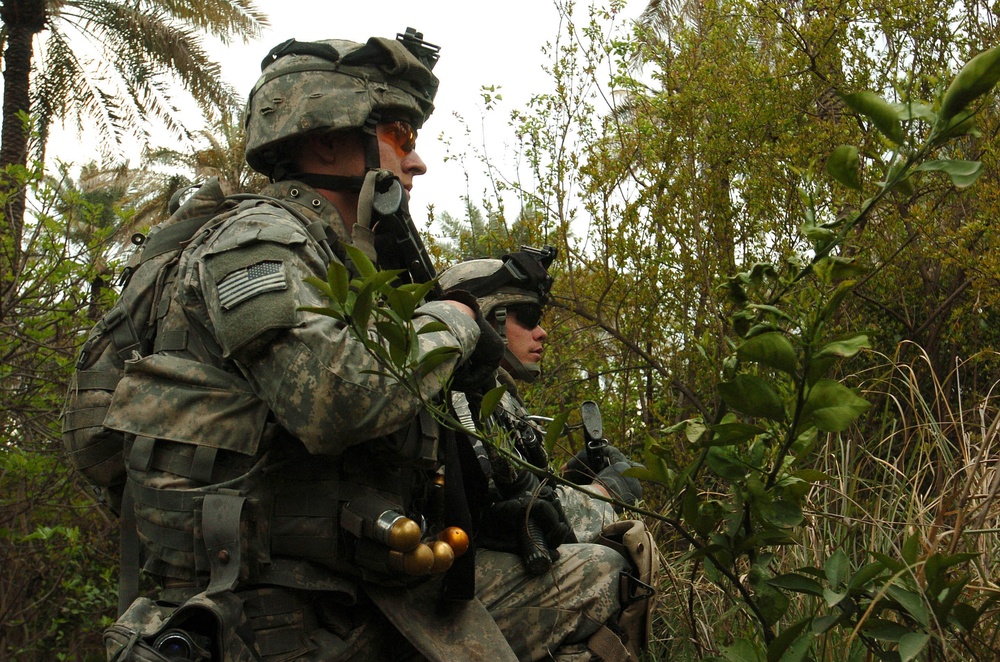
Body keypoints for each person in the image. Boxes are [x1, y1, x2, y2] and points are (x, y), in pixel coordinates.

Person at [94, 28, 638, 662]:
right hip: (277, 606)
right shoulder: (256, 240)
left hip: (358, 588)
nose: (417, 161)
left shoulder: (343, 261)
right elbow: (330, 399)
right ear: (327, 139)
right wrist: (457, 319)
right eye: (401, 136)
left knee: (599, 574)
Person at [438, 251, 659, 661]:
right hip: (445, 591)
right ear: (489, 320)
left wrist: (572, 479)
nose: (541, 333)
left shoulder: (494, 396)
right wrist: (606, 492)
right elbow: (513, 515)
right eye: (527, 317)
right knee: (614, 565)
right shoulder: (461, 399)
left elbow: (523, 495)